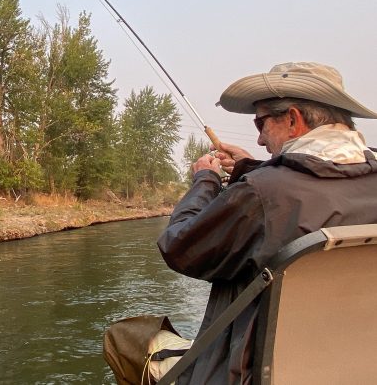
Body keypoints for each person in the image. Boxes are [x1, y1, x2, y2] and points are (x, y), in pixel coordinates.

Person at [157, 62, 377, 384]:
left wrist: (205, 180)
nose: (259, 139)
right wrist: (252, 167)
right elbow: (316, 182)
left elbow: (179, 247)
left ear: (292, 119)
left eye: (261, 124)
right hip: (359, 365)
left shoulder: (262, 192)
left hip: (250, 373)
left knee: (127, 339)